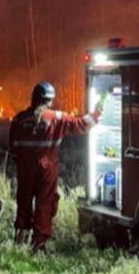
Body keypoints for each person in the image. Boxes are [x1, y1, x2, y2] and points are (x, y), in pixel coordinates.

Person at [9, 82, 101, 253]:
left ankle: (19, 239)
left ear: (34, 98)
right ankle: (39, 245)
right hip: (47, 168)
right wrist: (97, 112)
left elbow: (13, 148)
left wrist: (22, 163)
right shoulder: (57, 118)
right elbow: (82, 124)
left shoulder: (18, 119)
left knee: (24, 203)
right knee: (45, 204)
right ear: (50, 100)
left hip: (25, 169)